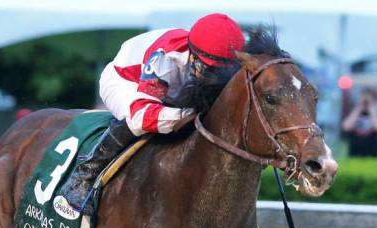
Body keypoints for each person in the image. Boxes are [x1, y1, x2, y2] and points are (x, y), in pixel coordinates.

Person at [59, 13, 246, 213]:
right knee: (136, 123)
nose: (213, 78)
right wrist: (187, 115)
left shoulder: (219, 60)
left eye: (220, 72)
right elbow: (143, 114)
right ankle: (83, 177)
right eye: (207, 69)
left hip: (174, 91)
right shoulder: (165, 58)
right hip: (127, 81)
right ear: (191, 53)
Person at [341, 87, 377, 157]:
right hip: (354, 153)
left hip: (372, 153)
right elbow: (346, 127)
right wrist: (359, 108)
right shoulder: (354, 113)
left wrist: (371, 109)